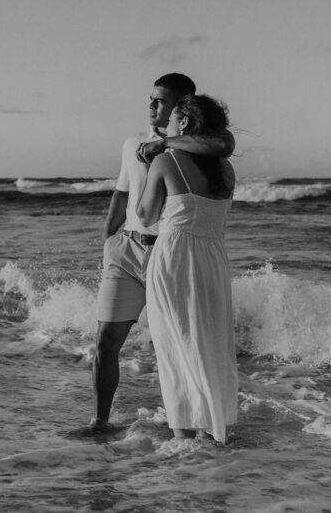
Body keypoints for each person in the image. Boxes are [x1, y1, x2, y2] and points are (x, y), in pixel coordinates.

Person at [84, 74, 234, 434]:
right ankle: (100, 422)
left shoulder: (203, 147)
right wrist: (108, 238)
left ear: (183, 107)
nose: (152, 107)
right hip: (128, 250)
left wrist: (164, 146)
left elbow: (224, 143)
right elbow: (122, 193)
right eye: (150, 99)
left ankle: (187, 421)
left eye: (161, 101)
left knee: (181, 341)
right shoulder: (133, 142)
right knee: (106, 339)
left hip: (169, 255)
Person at [136, 95, 237, 443]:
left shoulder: (166, 160)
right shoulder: (226, 170)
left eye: (174, 118)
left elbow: (146, 215)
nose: (168, 124)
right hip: (213, 259)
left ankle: (182, 435)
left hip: (176, 257)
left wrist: (145, 171)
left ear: (185, 125)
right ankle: (212, 431)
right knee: (208, 343)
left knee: (173, 342)